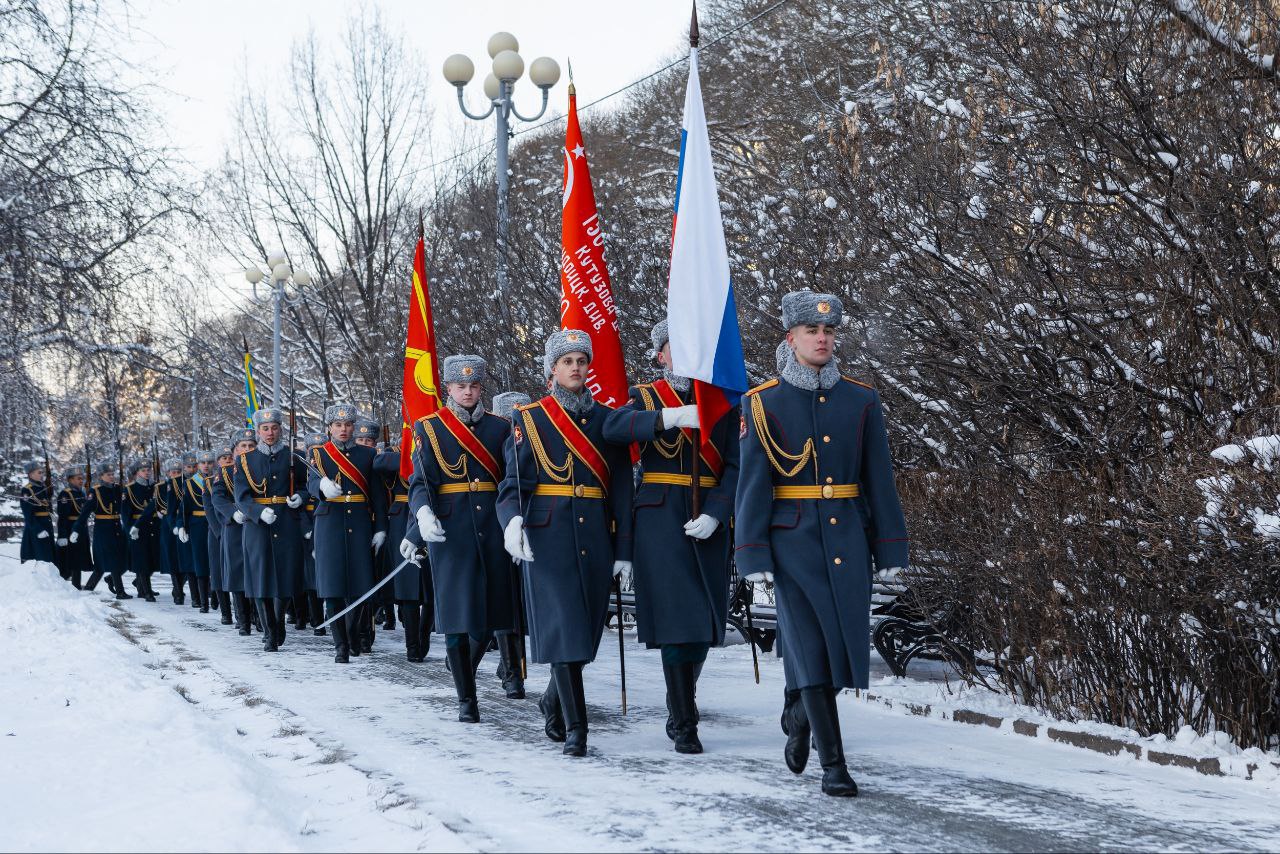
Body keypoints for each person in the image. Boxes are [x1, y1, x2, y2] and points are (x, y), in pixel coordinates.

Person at [735, 292, 910, 798]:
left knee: (844, 646)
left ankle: (799, 712)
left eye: (829, 332)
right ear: (790, 339)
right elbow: (752, 484)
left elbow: (880, 480)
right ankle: (834, 765)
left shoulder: (861, 400)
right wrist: (752, 553)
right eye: (811, 331)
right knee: (811, 646)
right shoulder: (762, 402)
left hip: (849, 538)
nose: (822, 338)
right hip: (792, 541)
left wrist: (890, 548)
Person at [603, 319, 741, 754]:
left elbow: (737, 465)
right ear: (660, 355)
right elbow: (613, 429)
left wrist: (718, 513)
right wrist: (668, 417)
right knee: (677, 621)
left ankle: (682, 693)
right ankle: (684, 718)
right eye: (670, 348)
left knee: (704, 621)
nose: (678, 356)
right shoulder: (643, 397)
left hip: (708, 519)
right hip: (660, 521)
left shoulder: (720, 398)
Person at [496, 330, 635, 756]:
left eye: (581, 360)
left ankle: (553, 700)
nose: (576, 368)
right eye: (567, 361)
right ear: (552, 369)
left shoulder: (605, 419)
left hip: (595, 533)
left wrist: (624, 549)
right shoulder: (531, 418)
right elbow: (511, 485)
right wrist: (512, 522)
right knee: (565, 628)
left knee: (587, 631)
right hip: (548, 536)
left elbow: (622, 490)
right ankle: (579, 730)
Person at [407, 355, 520, 719]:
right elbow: (421, 482)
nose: (468, 392)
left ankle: (464, 672)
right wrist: (421, 518)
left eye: (473, 386)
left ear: (481, 388)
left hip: (494, 527)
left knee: (491, 614)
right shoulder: (429, 427)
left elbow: (512, 480)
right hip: (451, 532)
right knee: (456, 616)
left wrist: (517, 523)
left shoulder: (501, 427)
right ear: (448, 389)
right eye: (460, 386)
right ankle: (466, 699)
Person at [309, 404, 387, 663]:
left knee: (360, 586)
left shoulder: (367, 454)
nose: (343, 429)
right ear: (329, 427)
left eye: (348, 425)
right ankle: (340, 645)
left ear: (353, 427)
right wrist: (321, 486)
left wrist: (381, 528)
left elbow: (377, 494)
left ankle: (353, 635)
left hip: (360, 523)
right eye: (338, 425)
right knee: (333, 588)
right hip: (329, 524)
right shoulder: (319, 454)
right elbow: (310, 482)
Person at [233, 408, 309, 652]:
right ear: (258, 431)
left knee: (286, 576)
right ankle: (269, 631)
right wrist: (256, 512)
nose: (270, 432)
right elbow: (241, 497)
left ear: (281, 429)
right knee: (260, 578)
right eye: (265, 429)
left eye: (274, 428)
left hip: (287, 521)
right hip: (257, 526)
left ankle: (279, 623)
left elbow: (305, 485)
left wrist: (300, 496)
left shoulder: (294, 457)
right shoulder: (244, 460)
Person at [377, 435, 431, 661]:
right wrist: (411, 454)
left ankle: (424, 639)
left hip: (432, 512)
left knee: (430, 591)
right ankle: (412, 645)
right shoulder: (397, 452)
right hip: (402, 520)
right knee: (409, 591)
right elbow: (379, 463)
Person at [211, 431, 256, 634]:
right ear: (235, 450)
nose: (247, 450)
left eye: (250, 446)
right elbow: (218, 498)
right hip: (235, 527)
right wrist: (232, 513)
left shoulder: (260, 467)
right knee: (238, 574)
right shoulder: (225, 471)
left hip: (255, 525)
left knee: (256, 573)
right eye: (242, 447)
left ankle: (259, 618)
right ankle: (243, 620)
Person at [84, 464, 130, 599]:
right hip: (103, 531)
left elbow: (123, 507)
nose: (111, 476)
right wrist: (77, 528)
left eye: (112, 474)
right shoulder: (95, 491)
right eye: (108, 474)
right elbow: (85, 512)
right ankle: (120, 592)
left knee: (117, 561)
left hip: (117, 529)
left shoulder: (117, 489)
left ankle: (88, 588)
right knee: (106, 563)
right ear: (101, 476)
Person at [300, 432, 327, 636]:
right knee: (310, 580)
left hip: (326, 527)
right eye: (312, 450)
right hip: (307, 530)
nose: (315, 453)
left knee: (327, 577)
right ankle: (316, 620)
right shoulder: (300, 471)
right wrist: (306, 529)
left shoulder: (327, 466)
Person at [182, 450, 215, 613]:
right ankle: (203, 602)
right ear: (198, 465)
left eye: (209, 462)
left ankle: (216, 598)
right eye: (203, 463)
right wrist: (183, 526)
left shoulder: (219, 479)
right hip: (197, 525)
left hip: (216, 522)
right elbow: (185, 507)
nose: (206, 465)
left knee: (216, 562)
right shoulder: (189, 483)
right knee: (201, 563)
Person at [205, 448, 234, 624]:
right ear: (218, 461)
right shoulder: (210, 482)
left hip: (237, 529)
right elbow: (209, 509)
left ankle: (246, 613)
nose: (228, 460)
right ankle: (225, 612)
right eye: (224, 458)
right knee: (218, 573)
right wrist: (220, 532)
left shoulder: (243, 476)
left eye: (230, 457)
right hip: (219, 530)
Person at [124, 461, 159, 602]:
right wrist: (130, 530)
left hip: (153, 527)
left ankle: (140, 584)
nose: (147, 472)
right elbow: (125, 514)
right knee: (142, 560)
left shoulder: (154, 487)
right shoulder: (129, 489)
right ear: (137, 472)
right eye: (143, 470)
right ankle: (146, 591)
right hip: (137, 529)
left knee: (151, 560)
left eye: (148, 469)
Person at [55, 467, 92, 589]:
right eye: (79, 478)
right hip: (70, 530)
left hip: (81, 530)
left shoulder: (81, 493)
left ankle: (76, 586)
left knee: (78, 560)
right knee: (70, 561)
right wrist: (62, 535)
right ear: (71, 480)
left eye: (82, 478)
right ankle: (69, 587)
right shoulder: (65, 494)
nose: (82, 481)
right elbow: (62, 517)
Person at [156, 458, 185, 604]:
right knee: (173, 561)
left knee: (185, 560)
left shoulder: (185, 484)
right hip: (168, 528)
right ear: (168, 473)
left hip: (182, 524)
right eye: (173, 472)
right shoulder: (162, 487)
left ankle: (179, 588)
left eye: (178, 472)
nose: (175, 474)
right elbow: (154, 505)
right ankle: (178, 590)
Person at [19, 460, 55, 567]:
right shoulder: (27, 490)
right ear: (30, 474)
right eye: (39, 472)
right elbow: (28, 514)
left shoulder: (42, 488)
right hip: (36, 528)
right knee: (39, 559)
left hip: (46, 525)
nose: (42, 474)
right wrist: (38, 530)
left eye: (42, 472)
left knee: (49, 558)